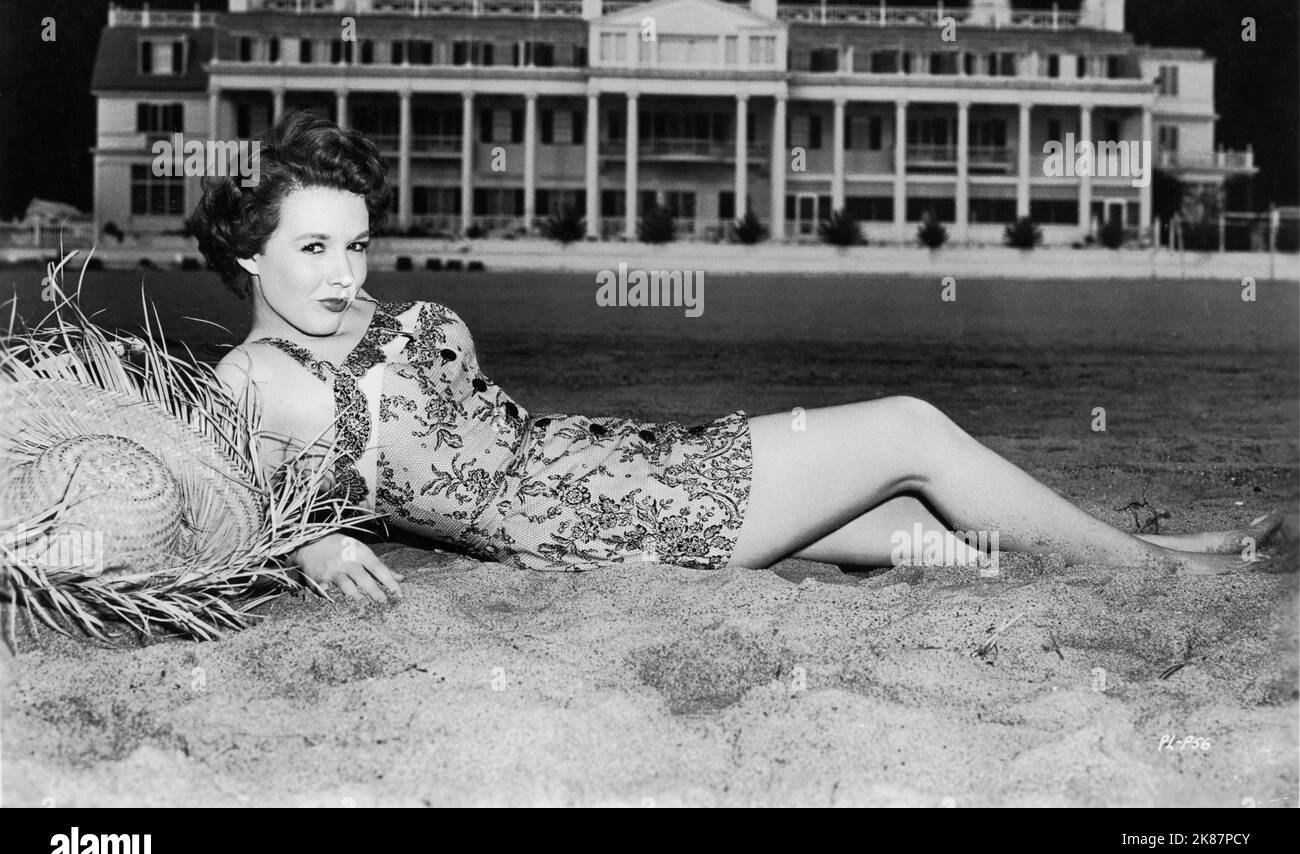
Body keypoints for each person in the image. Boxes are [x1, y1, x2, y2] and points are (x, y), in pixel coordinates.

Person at [190, 113, 1280, 604]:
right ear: (246, 254)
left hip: (608, 463)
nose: (343, 272)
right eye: (312, 247)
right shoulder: (253, 380)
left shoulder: (368, 316)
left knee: (915, 534)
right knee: (905, 426)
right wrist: (315, 549)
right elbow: (224, 510)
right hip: (603, 525)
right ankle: (1165, 575)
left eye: (358, 242)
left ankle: (1153, 542)